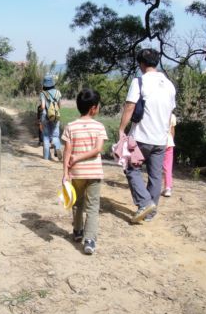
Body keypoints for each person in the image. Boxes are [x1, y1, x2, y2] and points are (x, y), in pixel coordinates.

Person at [118, 48, 176, 223]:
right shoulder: (169, 84)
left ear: (141, 64)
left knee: (130, 168)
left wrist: (122, 129)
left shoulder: (139, 82)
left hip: (141, 136)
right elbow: (170, 111)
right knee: (155, 175)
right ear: (156, 63)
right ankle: (150, 211)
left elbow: (130, 106)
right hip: (161, 138)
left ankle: (145, 203)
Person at [62, 89, 108, 254]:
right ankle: (89, 240)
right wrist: (81, 157)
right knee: (93, 207)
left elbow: (67, 152)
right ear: (93, 108)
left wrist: (65, 173)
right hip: (94, 173)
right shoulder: (99, 127)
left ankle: (77, 231)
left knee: (77, 203)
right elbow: (98, 149)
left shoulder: (70, 127)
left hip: (77, 173)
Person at [39, 75, 62, 160]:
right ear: (52, 83)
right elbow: (59, 105)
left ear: (44, 84)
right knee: (55, 135)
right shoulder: (57, 92)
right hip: (55, 115)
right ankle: (57, 147)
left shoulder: (43, 93)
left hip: (45, 115)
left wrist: (41, 110)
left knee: (46, 136)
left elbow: (43, 106)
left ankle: (47, 157)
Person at [162, 113, 177, 197]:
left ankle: (153, 188)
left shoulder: (158, 112)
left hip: (158, 142)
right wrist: (172, 140)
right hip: (169, 143)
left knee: (155, 166)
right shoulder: (172, 116)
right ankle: (168, 188)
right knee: (168, 167)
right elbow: (172, 130)